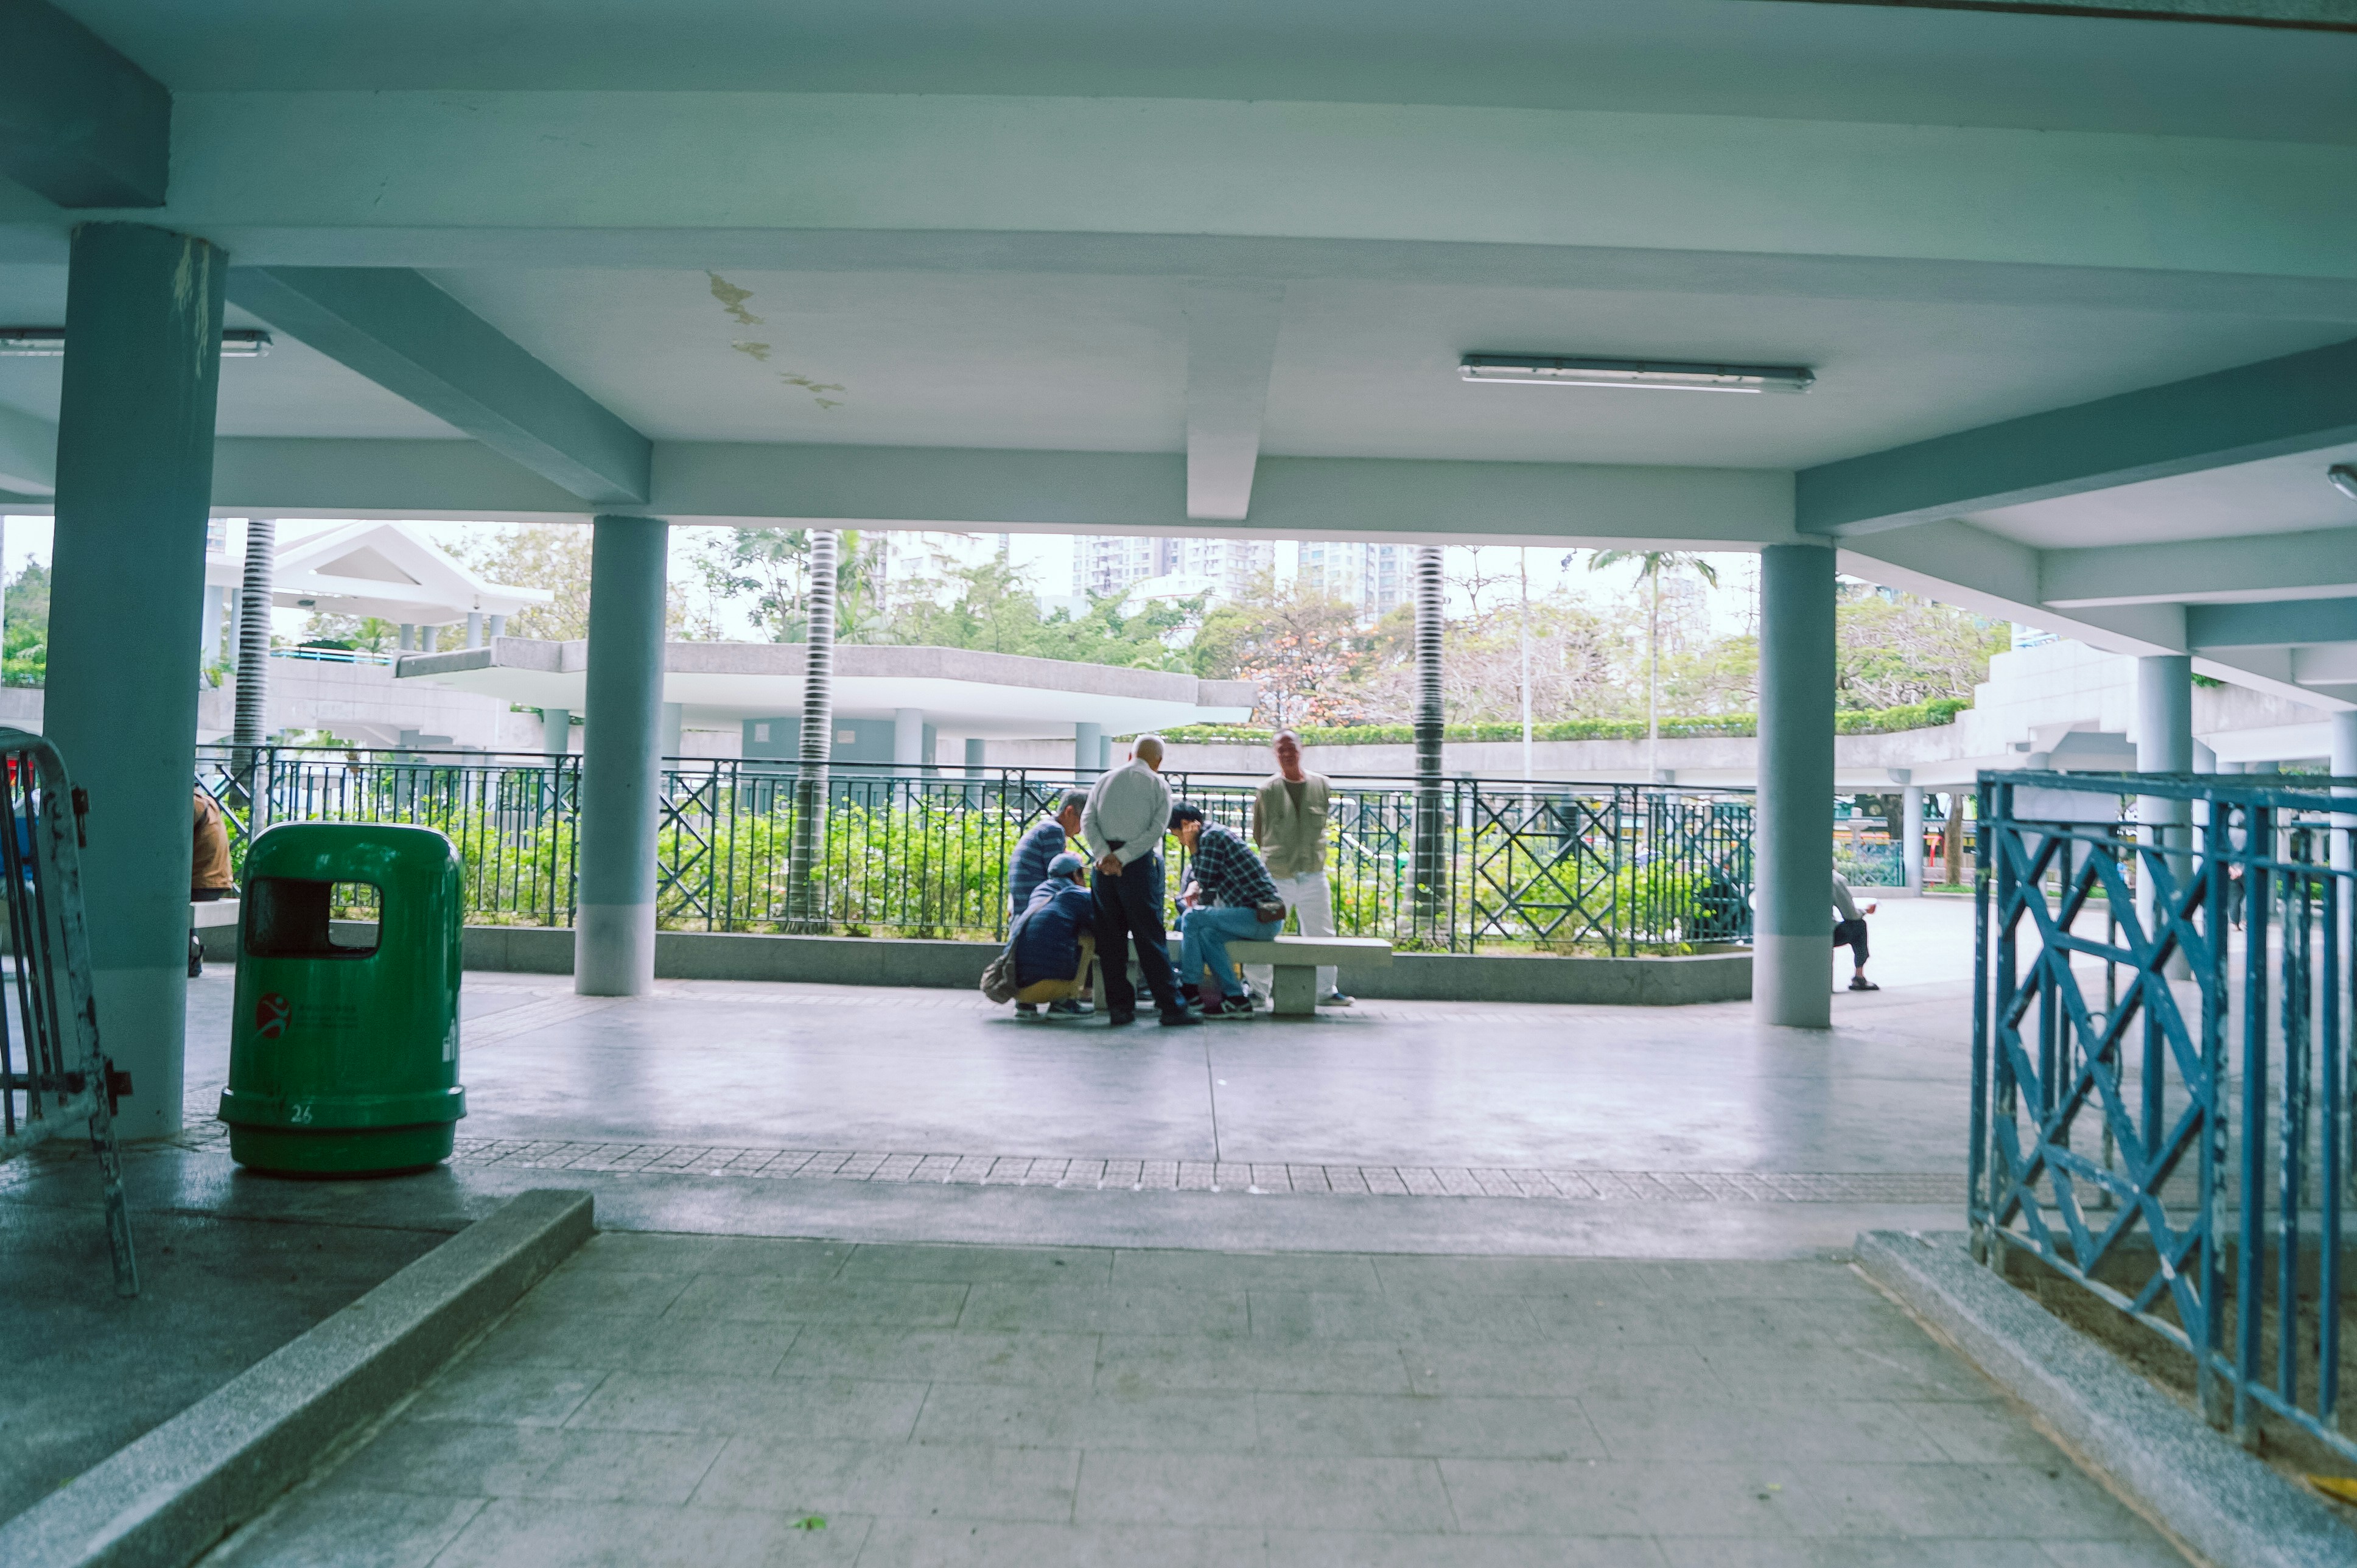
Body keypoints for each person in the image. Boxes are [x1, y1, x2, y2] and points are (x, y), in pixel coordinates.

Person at [1081, 733, 1197, 1027]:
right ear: (1158, 761)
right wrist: (1124, 857)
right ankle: (1171, 1007)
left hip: (1103, 868)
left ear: (1129, 755)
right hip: (1137, 867)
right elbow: (1156, 830)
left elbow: (1087, 820)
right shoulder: (1159, 784)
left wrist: (1105, 855)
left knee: (1110, 939)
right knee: (1149, 937)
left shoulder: (1105, 780)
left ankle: (1120, 1009)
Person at [1248, 730, 1350, 1006]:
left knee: (1322, 932)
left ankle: (1326, 991)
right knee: (1264, 931)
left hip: (1313, 872)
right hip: (1277, 874)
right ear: (1275, 753)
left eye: (1291, 748)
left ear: (1301, 749)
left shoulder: (1321, 785)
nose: (1287, 754)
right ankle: (1257, 991)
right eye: (1281, 750)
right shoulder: (1267, 790)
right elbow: (1259, 832)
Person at [1170, 802, 1284, 1019]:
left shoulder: (1212, 838)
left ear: (1186, 826)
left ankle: (1190, 987)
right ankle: (1236, 999)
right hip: (1251, 917)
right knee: (1207, 935)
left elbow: (1206, 879)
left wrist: (1192, 846)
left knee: (1192, 917)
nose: (1180, 841)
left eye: (1178, 836)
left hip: (1262, 917)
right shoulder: (1213, 834)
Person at [1008, 789, 1091, 1018]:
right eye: (1082, 820)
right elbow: (1061, 877)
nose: (1082, 829)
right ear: (1069, 812)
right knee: (1083, 932)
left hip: (1024, 914)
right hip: (1040, 909)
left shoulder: (1042, 829)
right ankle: (1064, 1000)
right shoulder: (1054, 831)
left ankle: (1026, 1003)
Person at [1009, 852, 1098, 1013]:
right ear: (1075, 874)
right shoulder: (1076, 894)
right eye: (1082, 875)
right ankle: (1064, 1003)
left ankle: (1025, 1005)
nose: (1084, 882)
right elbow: (1100, 924)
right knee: (1088, 938)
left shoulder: (1038, 893)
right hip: (1048, 986)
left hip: (1016, 987)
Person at [191, 789, 235, 977]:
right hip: (218, 880)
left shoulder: (189, 805)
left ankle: (189, 957)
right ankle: (192, 956)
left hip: (202, 883)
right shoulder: (206, 801)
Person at [1833, 870, 1879, 992]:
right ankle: (1859, 977)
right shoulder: (1834, 879)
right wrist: (1865, 911)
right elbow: (1851, 914)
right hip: (1825, 933)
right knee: (1859, 925)